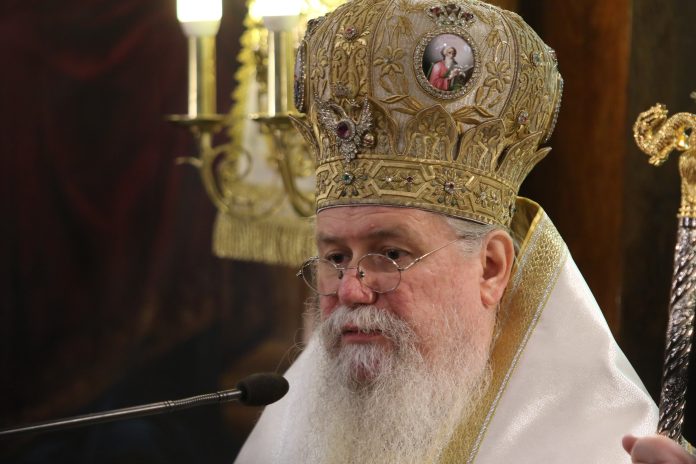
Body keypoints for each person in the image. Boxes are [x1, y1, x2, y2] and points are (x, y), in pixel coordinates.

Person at [235, 0, 691, 462]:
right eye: (335, 258)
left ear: (490, 268)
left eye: (390, 254)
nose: (351, 290)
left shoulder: (595, 446)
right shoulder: (288, 425)